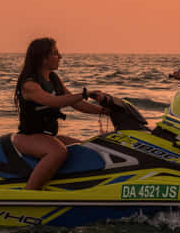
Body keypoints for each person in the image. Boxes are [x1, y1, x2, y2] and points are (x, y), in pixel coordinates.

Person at [12, 37, 112, 190]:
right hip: (28, 137)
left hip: (48, 136)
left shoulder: (53, 79)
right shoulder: (29, 84)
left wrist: (106, 111)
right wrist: (86, 93)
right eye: (55, 53)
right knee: (58, 152)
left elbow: (77, 104)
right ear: (43, 58)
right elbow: (54, 101)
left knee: (86, 148)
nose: (60, 57)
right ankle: (29, 193)